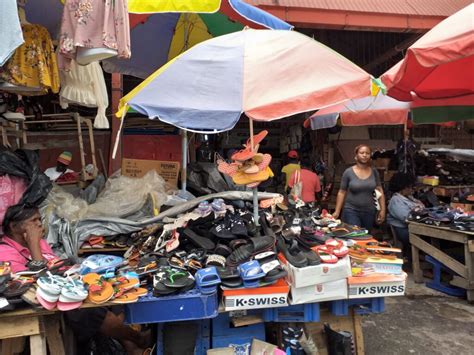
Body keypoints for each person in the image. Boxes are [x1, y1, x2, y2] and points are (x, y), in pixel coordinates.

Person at [0, 205, 150, 354]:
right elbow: (40, 284)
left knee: (114, 289)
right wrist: (34, 245)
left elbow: (57, 267)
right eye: (33, 221)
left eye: (40, 219)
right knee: (91, 311)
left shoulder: (40, 242)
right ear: (14, 227)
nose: (39, 224)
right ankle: (136, 339)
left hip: (69, 286)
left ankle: (128, 344)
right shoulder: (5, 251)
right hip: (44, 302)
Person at [333, 144, 386, 229]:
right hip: (351, 210)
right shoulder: (348, 172)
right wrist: (337, 211)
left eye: (367, 153)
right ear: (356, 155)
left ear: (370, 156)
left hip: (369, 211)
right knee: (355, 234)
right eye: (362, 153)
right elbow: (342, 192)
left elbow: (380, 190)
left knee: (366, 236)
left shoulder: (374, 172)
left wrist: (383, 210)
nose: (364, 155)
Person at [387, 172, 424, 252]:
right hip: (402, 230)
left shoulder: (410, 198)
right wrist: (417, 211)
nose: (412, 190)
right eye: (410, 187)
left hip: (412, 227)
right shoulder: (396, 200)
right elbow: (406, 218)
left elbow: (422, 207)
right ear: (403, 188)